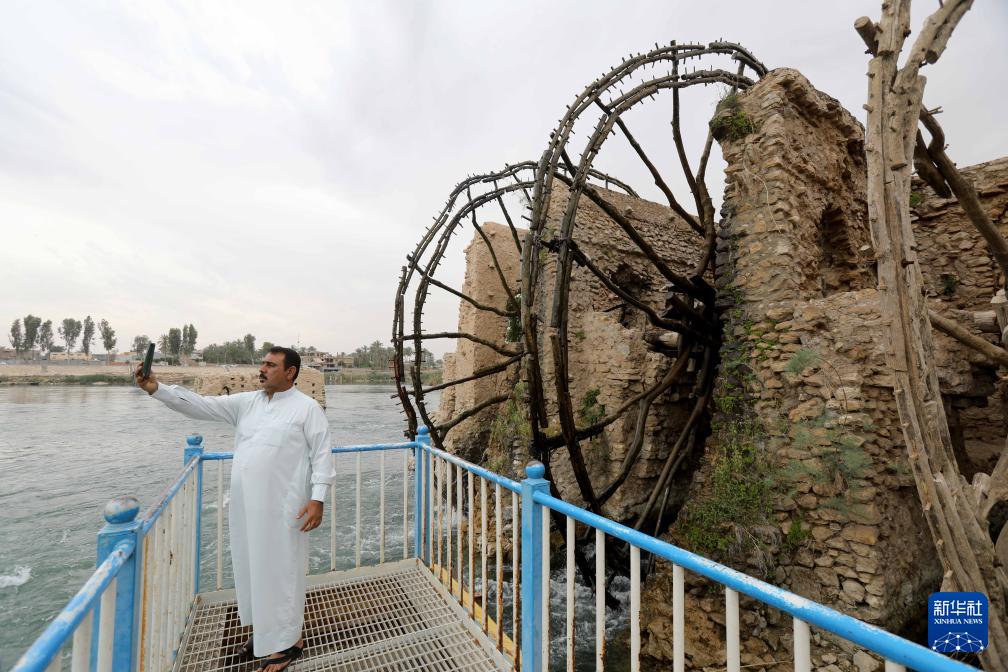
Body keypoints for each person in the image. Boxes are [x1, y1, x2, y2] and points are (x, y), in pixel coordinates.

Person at [135, 346, 335, 672]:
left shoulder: (307, 408)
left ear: (291, 372)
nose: (262, 369)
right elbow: (201, 405)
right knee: (252, 569)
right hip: (246, 506)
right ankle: (266, 632)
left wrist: (318, 499)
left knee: (282, 572)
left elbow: (322, 455)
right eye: (262, 363)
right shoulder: (248, 403)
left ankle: (289, 642)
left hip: (286, 509)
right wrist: (156, 389)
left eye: (270, 365)